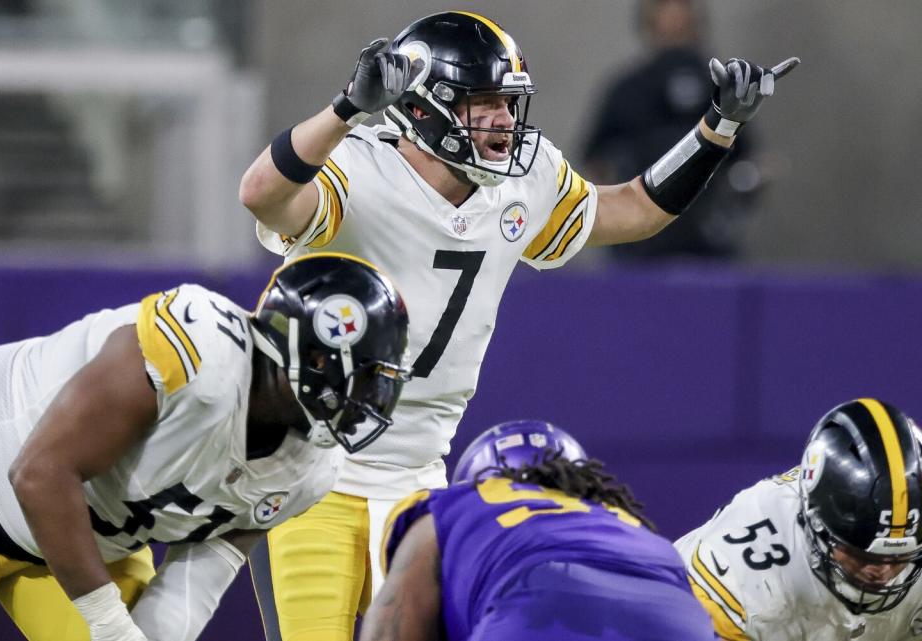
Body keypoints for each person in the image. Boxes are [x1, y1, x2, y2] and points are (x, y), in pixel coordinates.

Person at [238, 10, 798, 639]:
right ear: (423, 110)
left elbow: (635, 208)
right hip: (314, 471)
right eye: (484, 104)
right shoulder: (358, 169)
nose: (505, 121)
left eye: (509, 103)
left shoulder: (524, 180)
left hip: (423, 480)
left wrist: (716, 128)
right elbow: (261, 194)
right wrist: (344, 109)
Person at [0, 253, 410, 641]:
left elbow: (193, 585)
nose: (371, 401)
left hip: (84, 543)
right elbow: (40, 474)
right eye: (368, 377)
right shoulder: (198, 353)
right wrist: (110, 626)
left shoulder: (310, 469)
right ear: (315, 358)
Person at [359, 419, 716, 641]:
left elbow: (393, 629)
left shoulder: (452, 507)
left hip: (536, 610)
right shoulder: (634, 528)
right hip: (680, 621)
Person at [675, 398, 922, 641]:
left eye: (899, 558)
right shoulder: (739, 576)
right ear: (816, 521)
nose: (881, 572)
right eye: (863, 556)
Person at [581, 0, 761, 260]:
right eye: (666, 10)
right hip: (637, 247)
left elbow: (750, 160)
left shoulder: (724, 91)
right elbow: (595, 160)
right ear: (650, 21)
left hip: (709, 247)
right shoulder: (627, 89)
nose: (675, 20)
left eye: (682, 11)